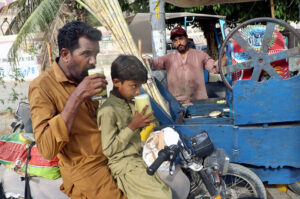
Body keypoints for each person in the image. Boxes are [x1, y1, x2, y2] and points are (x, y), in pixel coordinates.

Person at [28, 21, 126, 199]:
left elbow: (99, 121)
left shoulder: (84, 76)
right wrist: (77, 96)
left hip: (111, 154)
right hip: (86, 167)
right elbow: (47, 149)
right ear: (65, 54)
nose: (93, 61)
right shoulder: (41, 87)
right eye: (86, 54)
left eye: (95, 54)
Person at [97, 55, 172, 199]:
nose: (138, 91)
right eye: (134, 86)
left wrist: (145, 125)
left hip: (139, 158)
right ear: (117, 82)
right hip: (125, 166)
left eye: (140, 86)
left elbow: (138, 133)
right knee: (163, 196)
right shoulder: (108, 110)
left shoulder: (131, 103)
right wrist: (133, 126)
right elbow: (108, 149)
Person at [148, 26, 224, 104]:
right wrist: (146, 60)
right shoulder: (168, 58)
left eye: (181, 39)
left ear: (186, 38)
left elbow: (215, 68)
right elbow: (154, 63)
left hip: (199, 101)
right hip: (177, 104)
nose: (178, 43)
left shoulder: (200, 55)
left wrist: (224, 56)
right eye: (175, 40)